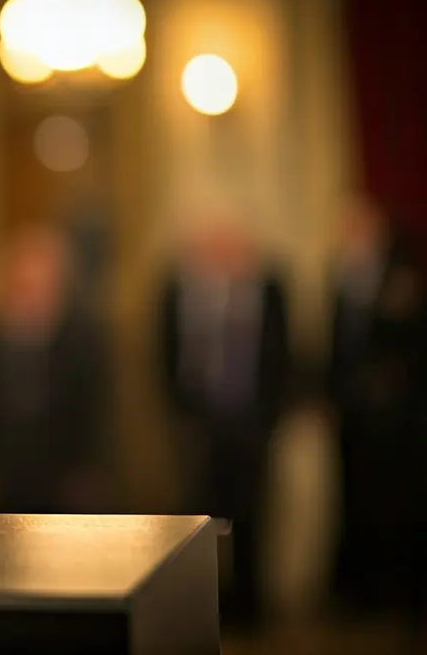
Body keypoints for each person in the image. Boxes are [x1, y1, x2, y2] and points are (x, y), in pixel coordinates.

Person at [158, 208, 290, 628]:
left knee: (251, 515)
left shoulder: (268, 289)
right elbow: (169, 354)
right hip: (201, 425)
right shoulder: (186, 291)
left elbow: (282, 354)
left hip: (251, 422)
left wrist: (270, 415)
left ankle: (250, 604)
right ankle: (205, 602)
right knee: (200, 516)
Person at [325, 197, 427, 616]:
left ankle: (395, 588)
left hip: (395, 419)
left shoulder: (403, 276)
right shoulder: (340, 276)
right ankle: (358, 589)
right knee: (353, 499)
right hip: (352, 415)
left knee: (393, 501)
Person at [0, 224, 110, 514]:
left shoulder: (83, 341)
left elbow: (93, 411)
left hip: (62, 477)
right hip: (2, 473)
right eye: (20, 283)